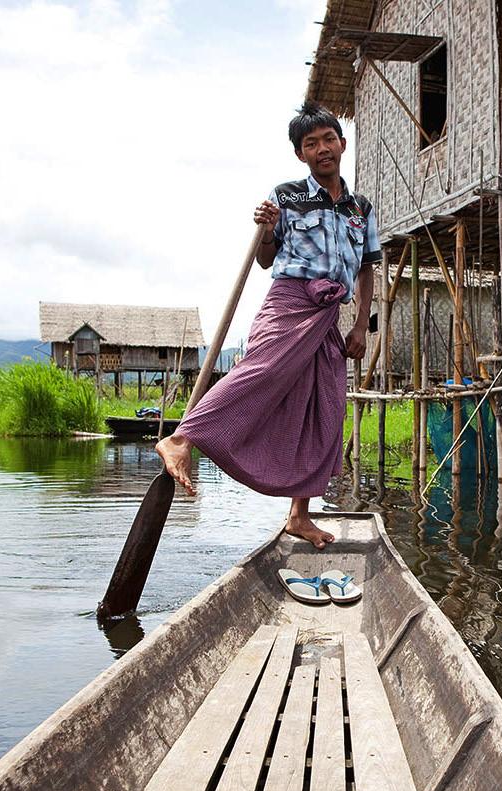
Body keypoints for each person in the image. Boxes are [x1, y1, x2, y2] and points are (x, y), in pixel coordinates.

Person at [156, 102, 380, 549]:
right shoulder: (286, 195)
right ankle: (181, 438)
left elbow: (368, 267)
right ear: (301, 155)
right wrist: (265, 230)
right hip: (290, 300)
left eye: (327, 140)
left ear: (342, 143)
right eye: (310, 144)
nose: (321, 149)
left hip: (330, 313)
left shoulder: (361, 208)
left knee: (324, 408)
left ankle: (299, 516)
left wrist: (360, 326)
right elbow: (264, 260)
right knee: (261, 371)